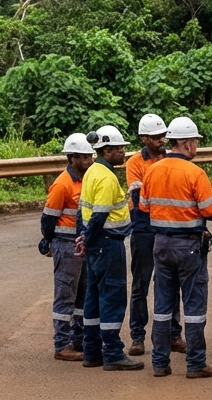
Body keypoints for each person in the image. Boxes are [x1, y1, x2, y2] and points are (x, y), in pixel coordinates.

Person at [140, 116, 212, 379]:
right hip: (189, 248)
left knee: (163, 306)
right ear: (186, 143)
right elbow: (210, 210)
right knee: (194, 308)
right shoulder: (195, 173)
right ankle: (196, 364)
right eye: (195, 141)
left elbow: (144, 206)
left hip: (161, 245)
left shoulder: (152, 170)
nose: (196, 146)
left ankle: (160, 363)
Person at [76, 125, 142, 371]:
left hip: (96, 245)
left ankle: (92, 351)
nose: (123, 153)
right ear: (106, 150)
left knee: (93, 297)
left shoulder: (92, 172)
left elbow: (83, 212)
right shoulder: (105, 177)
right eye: (119, 149)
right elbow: (100, 215)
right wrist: (89, 239)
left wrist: (84, 239)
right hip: (108, 244)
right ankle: (113, 353)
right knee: (112, 297)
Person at [124, 113, 182, 356]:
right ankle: (137, 336)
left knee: (170, 283)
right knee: (141, 284)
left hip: (168, 228)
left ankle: (174, 334)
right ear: (143, 138)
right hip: (144, 229)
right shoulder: (135, 163)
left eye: (163, 136)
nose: (161, 140)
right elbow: (139, 198)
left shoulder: (171, 159)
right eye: (156, 137)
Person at [41, 133, 94, 361]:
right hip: (66, 245)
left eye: (89, 156)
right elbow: (47, 220)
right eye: (83, 157)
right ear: (71, 157)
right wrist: (50, 241)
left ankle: (78, 341)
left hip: (81, 246)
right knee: (65, 296)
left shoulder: (87, 180)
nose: (88, 161)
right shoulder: (62, 184)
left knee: (82, 296)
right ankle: (62, 345)